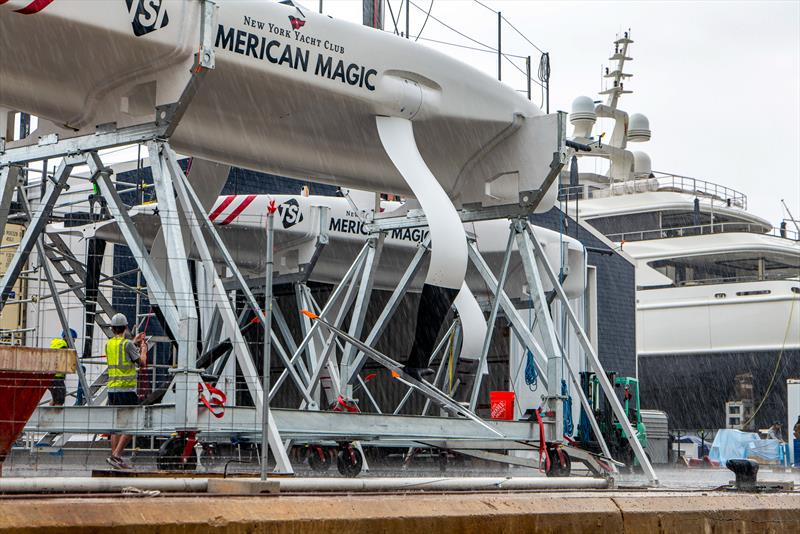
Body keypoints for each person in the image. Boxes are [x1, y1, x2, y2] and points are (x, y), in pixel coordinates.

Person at [105, 312, 147, 470]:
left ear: (112, 328)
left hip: (112, 389)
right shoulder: (127, 344)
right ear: (126, 327)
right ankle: (116, 455)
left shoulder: (109, 344)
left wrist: (134, 342)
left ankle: (114, 457)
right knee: (133, 424)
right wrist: (143, 348)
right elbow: (141, 363)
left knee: (117, 425)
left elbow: (122, 354)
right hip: (127, 390)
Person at [48, 328, 77, 406]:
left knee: (55, 399)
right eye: (73, 339)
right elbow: (64, 360)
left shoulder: (57, 345)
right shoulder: (63, 346)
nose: (73, 342)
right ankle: (56, 417)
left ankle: (50, 415)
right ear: (67, 338)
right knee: (60, 400)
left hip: (51, 377)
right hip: (57, 378)